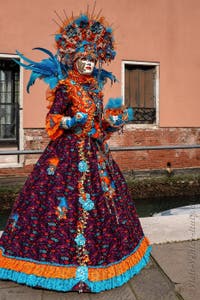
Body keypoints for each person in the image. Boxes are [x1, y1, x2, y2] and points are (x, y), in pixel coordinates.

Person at [0, 9, 152, 293]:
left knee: (107, 205)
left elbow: (99, 126)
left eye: (92, 60)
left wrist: (112, 121)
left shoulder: (96, 90)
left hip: (95, 154)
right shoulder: (65, 87)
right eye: (83, 59)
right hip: (66, 154)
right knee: (52, 207)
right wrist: (70, 121)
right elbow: (51, 120)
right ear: (73, 59)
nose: (88, 64)